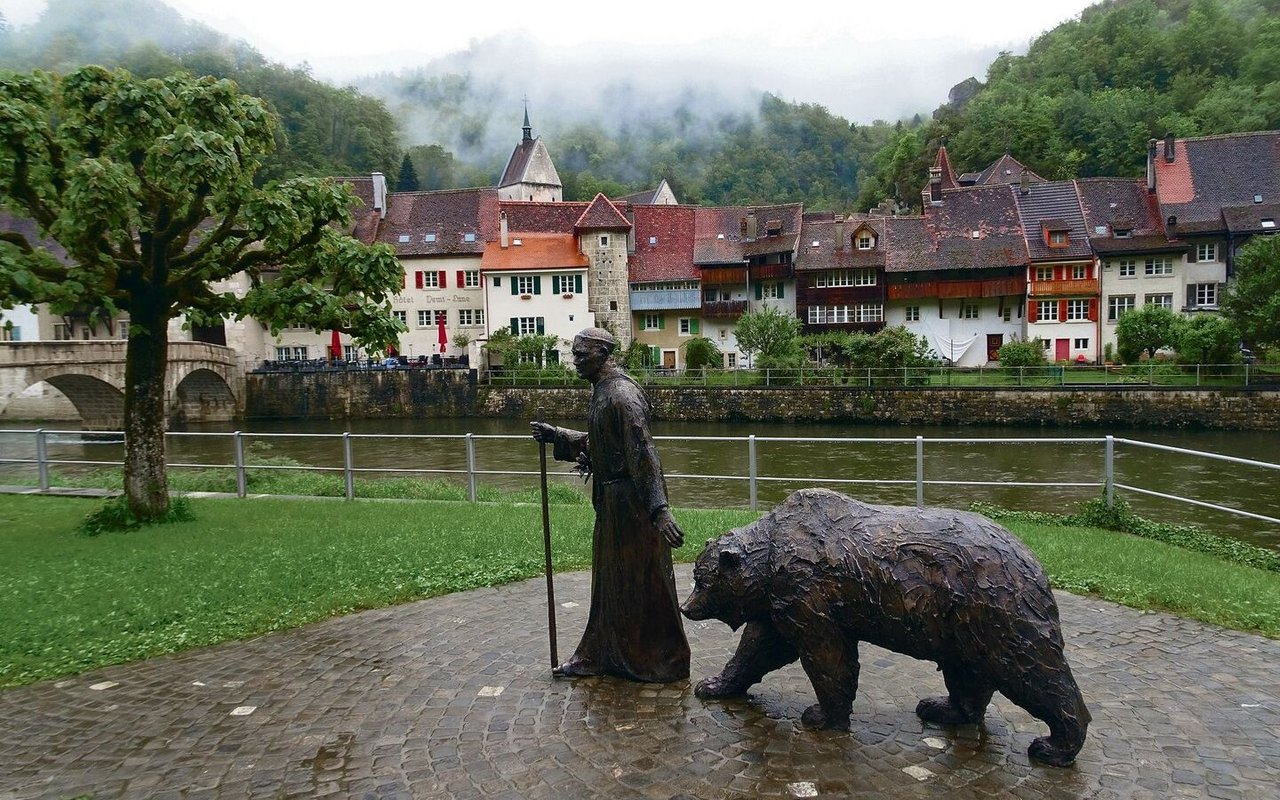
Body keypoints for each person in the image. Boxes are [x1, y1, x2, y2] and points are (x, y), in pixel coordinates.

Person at [531, 327, 690, 683]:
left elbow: (642, 450)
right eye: (574, 353)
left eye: (581, 355)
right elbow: (602, 443)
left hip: (631, 506)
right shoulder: (603, 392)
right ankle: (602, 653)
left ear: (603, 354)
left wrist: (658, 510)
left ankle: (662, 659)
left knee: (639, 581)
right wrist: (558, 435)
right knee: (612, 582)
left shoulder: (621, 395)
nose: (574, 361)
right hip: (614, 503)